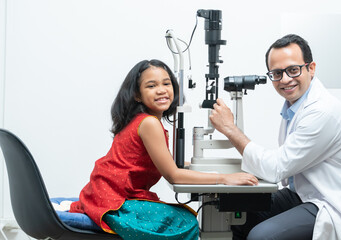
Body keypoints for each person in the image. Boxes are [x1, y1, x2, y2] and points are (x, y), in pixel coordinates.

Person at [209, 34, 341, 240]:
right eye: (277, 73)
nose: (285, 80)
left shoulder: (323, 112)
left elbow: (276, 168)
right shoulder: (294, 107)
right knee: (235, 216)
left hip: (337, 204)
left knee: (262, 236)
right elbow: (283, 165)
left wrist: (230, 129)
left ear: (311, 68)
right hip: (304, 194)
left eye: (293, 70)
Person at [69, 59, 258, 240]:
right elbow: (173, 175)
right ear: (137, 94)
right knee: (186, 222)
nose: (161, 91)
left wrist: (193, 164)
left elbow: (161, 162)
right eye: (151, 86)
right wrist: (224, 178)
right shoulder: (149, 123)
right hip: (114, 202)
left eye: (166, 84)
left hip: (101, 194)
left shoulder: (142, 121)